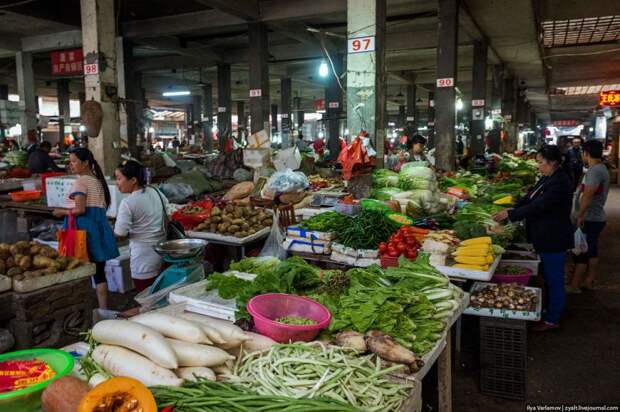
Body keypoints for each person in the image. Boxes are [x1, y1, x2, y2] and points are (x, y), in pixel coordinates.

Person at [493, 145, 573, 331]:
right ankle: (547, 310)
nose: (538, 166)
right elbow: (530, 198)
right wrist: (512, 209)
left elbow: (539, 206)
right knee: (547, 277)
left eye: (540, 162)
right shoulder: (547, 178)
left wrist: (512, 215)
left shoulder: (560, 182)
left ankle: (552, 319)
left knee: (554, 279)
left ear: (552, 163)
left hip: (553, 237)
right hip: (544, 236)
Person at [52, 148, 119, 309]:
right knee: (99, 272)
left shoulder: (81, 181)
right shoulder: (96, 180)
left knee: (80, 269)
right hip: (98, 228)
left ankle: (83, 308)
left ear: (85, 163)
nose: (71, 164)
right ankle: (103, 309)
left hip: (83, 230)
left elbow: (80, 210)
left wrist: (61, 212)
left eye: (74, 161)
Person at [114, 160, 168, 292]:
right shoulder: (155, 191)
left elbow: (120, 233)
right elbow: (168, 216)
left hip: (143, 258)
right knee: (160, 293)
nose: (117, 183)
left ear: (133, 180)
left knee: (146, 298)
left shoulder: (128, 203)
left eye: (119, 178)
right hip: (163, 251)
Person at [567, 140, 609, 293]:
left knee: (581, 252)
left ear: (586, 153)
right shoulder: (599, 168)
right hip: (595, 217)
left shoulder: (595, 171)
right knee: (591, 250)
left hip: (589, 218)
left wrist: (580, 215)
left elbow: (588, 195)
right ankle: (589, 280)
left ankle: (574, 286)